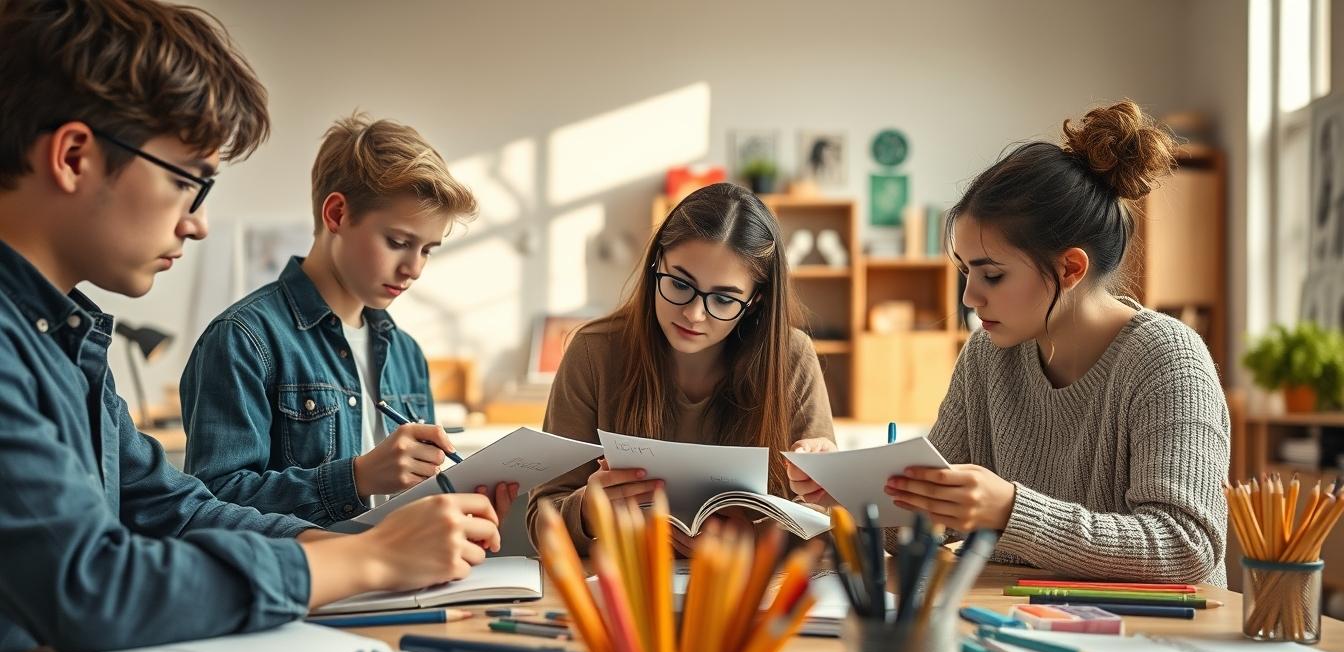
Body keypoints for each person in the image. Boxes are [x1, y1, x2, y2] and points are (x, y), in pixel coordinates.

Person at [0, 0, 499, 652]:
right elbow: (91, 585)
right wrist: (368, 560)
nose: (197, 223)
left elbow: (176, 509)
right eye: (189, 183)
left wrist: (371, 547)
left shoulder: (64, 343)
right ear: (73, 156)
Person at [790, 101, 1230, 585]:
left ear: (1070, 268)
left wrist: (1010, 510)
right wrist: (849, 493)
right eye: (965, 272)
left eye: (992, 275)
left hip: (1152, 628)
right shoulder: (987, 356)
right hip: (1020, 617)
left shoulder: (1168, 359)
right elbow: (922, 522)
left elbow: (1187, 547)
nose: (969, 297)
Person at [181, 113, 516, 525]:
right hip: (310, 569)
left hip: (408, 565)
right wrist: (356, 478)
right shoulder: (243, 340)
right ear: (337, 214)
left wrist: (457, 507)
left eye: (427, 250)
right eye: (398, 241)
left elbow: (413, 502)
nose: (414, 268)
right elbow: (211, 507)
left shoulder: (406, 354)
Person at [528, 182, 836, 553]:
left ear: (755, 301)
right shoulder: (594, 352)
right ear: (656, 263)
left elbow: (827, 521)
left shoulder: (791, 358)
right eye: (679, 284)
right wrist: (587, 511)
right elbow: (541, 520)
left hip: (751, 583)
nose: (693, 314)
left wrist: (754, 537)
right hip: (622, 581)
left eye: (723, 299)